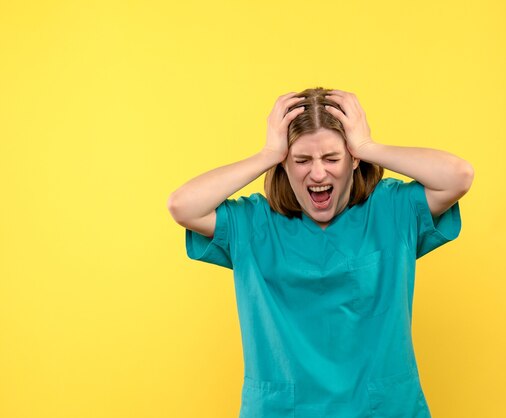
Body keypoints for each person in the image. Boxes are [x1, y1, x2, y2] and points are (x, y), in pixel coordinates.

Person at [167, 87, 474, 418]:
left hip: (383, 409)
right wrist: (268, 153)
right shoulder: (254, 224)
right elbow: (183, 205)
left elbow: (459, 176)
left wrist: (369, 146)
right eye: (301, 160)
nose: (317, 173)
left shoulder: (392, 210)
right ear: (284, 163)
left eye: (331, 158)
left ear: (354, 160)